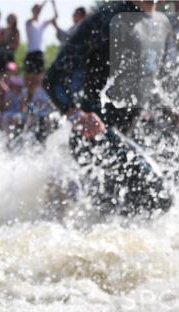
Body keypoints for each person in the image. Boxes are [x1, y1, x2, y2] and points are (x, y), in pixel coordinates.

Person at [44, 0, 174, 213]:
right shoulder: (107, 19)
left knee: (115, 214)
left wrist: (172, 112)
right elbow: (54, 78)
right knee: (158, 195)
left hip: (126, 137)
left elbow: (152, 86)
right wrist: (77, 114)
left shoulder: (161, 23)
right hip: (94, 136)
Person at [24, 2, 57, 103]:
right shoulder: (29, 22)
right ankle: (29, 100)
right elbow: (35, 15)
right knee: (29, 81)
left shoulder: (42, 23)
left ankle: (37, 101)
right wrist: (43, 3)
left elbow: (56, 16)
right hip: (30, 53)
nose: (38, 11)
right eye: (36, 10)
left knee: (38, 80)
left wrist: (53, 4)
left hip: (39, 54)